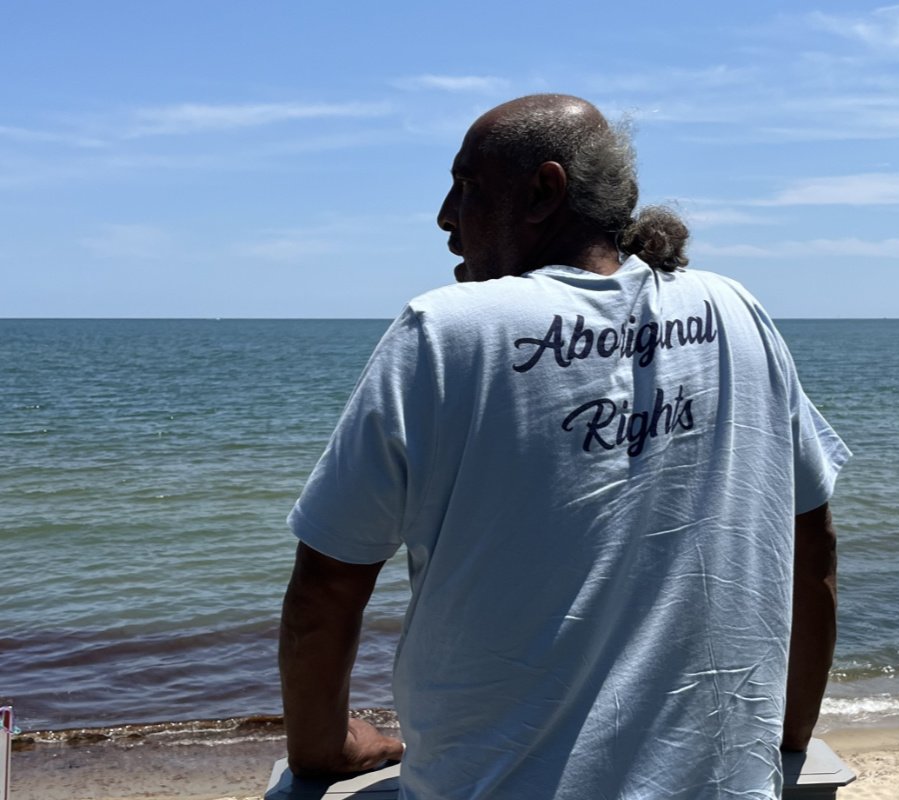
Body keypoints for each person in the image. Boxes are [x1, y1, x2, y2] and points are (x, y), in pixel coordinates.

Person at [278, 94, 850, 799]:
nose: (445, 215)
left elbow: (325, 590)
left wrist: (321, 749)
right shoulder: (738, 310)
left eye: (467, 186)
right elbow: (811, 543)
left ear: (545, 192)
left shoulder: (445, 331)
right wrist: (785, 739)